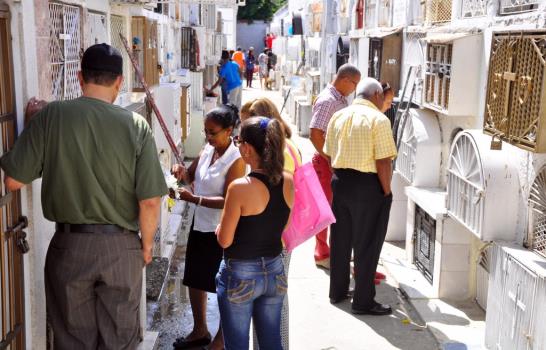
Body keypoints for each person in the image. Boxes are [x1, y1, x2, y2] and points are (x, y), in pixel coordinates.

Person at [0, 43, 167, 349]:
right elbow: (150, 201)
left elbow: (13, 180)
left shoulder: (52, 116)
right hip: (122, 248)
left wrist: (35, 125)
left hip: (69, 247)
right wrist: (144, 248)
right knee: (120, 339)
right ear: (118, 81)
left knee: (72, 340)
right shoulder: (135, 125)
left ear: (79, 77)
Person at [171, 104, 246, 350]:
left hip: (221, 230)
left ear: (229, 131)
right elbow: (190, 177)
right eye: (206, 132)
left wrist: (195, 199)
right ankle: (200, 329)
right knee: (195, 278)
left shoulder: (236, 159)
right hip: (200, 224)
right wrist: (180, 173)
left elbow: (230, 199)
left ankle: (222, 340)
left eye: (213, 132)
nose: (208, 137)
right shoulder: (206, 150)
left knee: (225, 287)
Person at [216, 117, 294, 350]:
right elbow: (285, 226)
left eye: (238, 140)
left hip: (240, 272)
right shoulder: (288, 180)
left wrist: (220, 228)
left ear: (247, 148)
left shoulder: (240, 187)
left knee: (237, 345)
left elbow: (225, 239)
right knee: (271, 343)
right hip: (274, 269)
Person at [325, 78, 397, 315]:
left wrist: (340, 176)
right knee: (367, 244)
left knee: (340, 241)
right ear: (377, 94)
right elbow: (383, 161)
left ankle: (337, 291)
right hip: (368, 186)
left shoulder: (339, 116)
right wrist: (386, 192)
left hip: (341, 182)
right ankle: (363, 301)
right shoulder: (378, 119)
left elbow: (329, 153)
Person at [246, 97, 300, 350]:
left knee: (273, 302)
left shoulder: (281, 153)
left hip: (277, 237)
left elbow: (276, 196)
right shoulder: (289, 147)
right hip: (280, 234)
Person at [308, 63, 361, 270]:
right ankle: (322, 253)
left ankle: (334, 250)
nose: (355, 88)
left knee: (335, 208)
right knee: (325, 209)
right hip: (326, 162)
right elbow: (315, 133)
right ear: (345, 79)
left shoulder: (340, 98)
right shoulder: (328, 100)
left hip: (335, 161)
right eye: (354, 83)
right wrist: (329, 158)